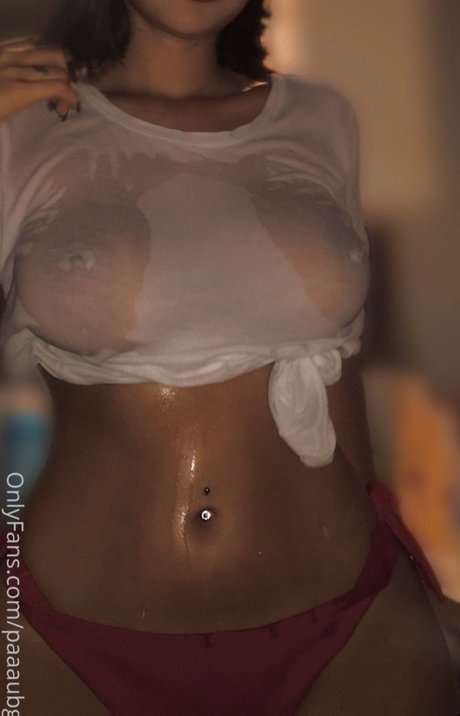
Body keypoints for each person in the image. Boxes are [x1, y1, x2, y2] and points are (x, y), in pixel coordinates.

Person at [0, 1, 457, 714]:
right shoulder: (22, 122)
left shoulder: (321, 119)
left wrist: (409, 563)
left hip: (355, 623)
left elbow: (338, 375)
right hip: (60, 635)